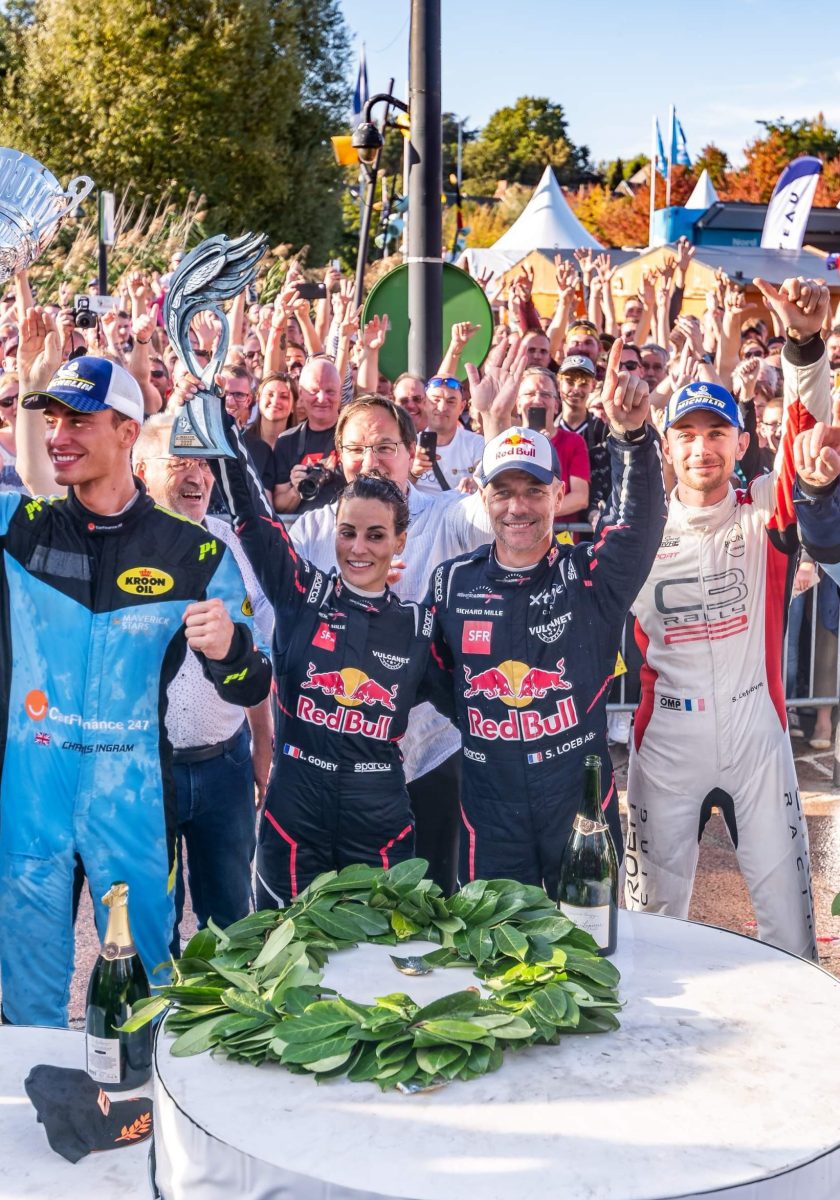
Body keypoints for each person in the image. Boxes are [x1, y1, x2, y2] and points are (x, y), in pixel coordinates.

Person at [3, 329, 271, 1026]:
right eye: (52, 420)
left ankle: (138, 1090)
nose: (58, 436)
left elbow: (253, 684)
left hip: (134, 796)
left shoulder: (196, 553)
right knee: (27, 998)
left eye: (78, 422)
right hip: (33, 791)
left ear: (127, 432)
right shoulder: (19, 528)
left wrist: (230, 649)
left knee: (146, 994)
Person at [625, 277, 838, 961]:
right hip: (664, 744)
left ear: (740, 442)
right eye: (686, 435)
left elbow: (808, 442)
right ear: (667, 448)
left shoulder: (763, 517)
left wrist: (804, 345)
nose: (702, 448)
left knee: (790, 931)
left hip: (756, 736)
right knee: (651, 930)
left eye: (716, 433)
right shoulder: (636, 537)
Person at [283, 338, 526, 894]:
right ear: (338, 456)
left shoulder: (443, 513)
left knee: (435, 901)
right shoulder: (313, 531)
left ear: (410, 451)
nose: (370, 460)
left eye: (385, 446)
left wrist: (494, 424)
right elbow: (283, 624)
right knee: (345, 905)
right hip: (341, 755)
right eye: (356, 448)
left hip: (433, 746)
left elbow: (496, 515)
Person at [424, 339, 666, 892]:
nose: (518, 507)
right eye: (503, 492)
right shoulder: (453, 582)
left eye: (533, 490)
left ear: (558, 494)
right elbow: (437, 677)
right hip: (488, 799)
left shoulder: (590, 577)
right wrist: (488, 721)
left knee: (589, 937)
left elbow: (639, 525)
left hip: (576, 795)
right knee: (494, 936)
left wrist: (632, 437)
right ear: (483, 497)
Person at [196, 409, 450, 904]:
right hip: (295, 813)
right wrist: (220, 424)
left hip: (378, 820)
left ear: (400, 541)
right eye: (347, 532)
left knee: (376, 948)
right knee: (283, 946)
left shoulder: (418, 627)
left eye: (375, 535)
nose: (359, 548)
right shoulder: (301, 594)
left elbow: (476, 710)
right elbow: (253, 518)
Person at [132, 414, 274, 954]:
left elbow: (254, 649)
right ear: (141, 470)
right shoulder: (121, 550)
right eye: (180, 461)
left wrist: (263, 742)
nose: (198, 476)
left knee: (232, 924)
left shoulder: (228, 544)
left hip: (225, 765)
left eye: (204, 463)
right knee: (151, 929)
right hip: (147, 771)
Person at [272, 356, 342, 514]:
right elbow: (279, 507)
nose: (322, 399)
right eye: (314, 391)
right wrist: (296, 489)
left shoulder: (356, 435)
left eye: (330, 391)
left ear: (340, 393)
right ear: (301, 394)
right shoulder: (286, 441)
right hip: (303, 527)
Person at [413, 375, 484, 494]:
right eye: (436, 400)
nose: (442, 407)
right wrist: (413, 473)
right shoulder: (410, 446)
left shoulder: (476, 444)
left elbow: (491, 484)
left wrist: (477, 484)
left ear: (461, 407)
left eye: (451, 402)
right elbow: (398, 491)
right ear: (425, 403)